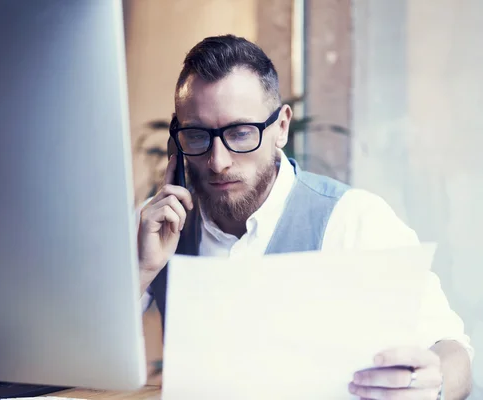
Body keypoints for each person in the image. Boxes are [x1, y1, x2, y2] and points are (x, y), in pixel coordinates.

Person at [136, 34, 473, 399]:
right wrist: (142, 269)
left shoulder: (355, 220)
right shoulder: (156, 226)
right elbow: (83, 352)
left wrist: (435, 382)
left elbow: (453, 351)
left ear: (281, 127)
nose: (218, 161)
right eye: (198, 136)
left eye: (241, 132)